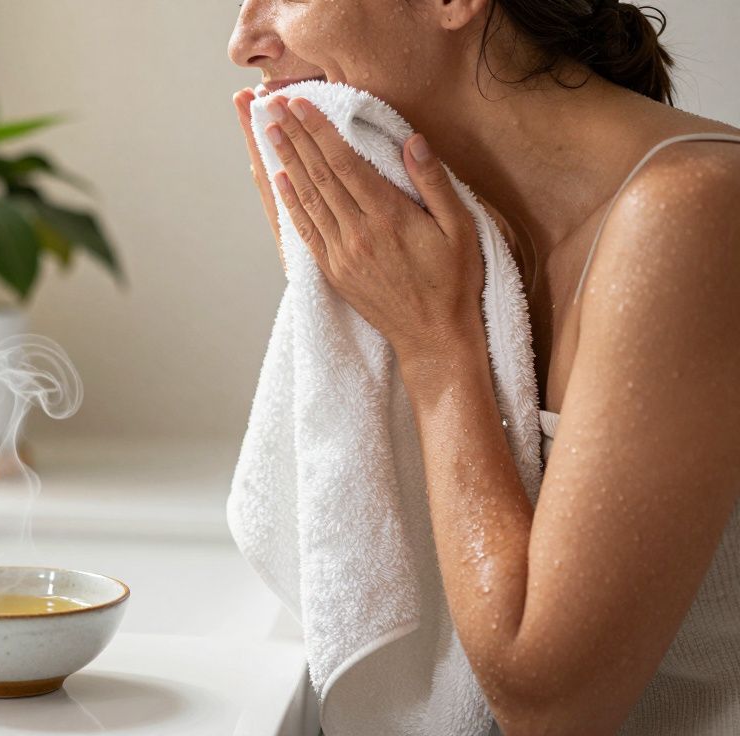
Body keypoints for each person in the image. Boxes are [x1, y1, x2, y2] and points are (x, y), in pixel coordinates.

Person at [228, 1, 740, 733]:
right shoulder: (459, 242)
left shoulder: (696, 210)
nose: (242, 43)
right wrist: (345, 317)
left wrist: (435, 351)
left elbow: (551, 703)